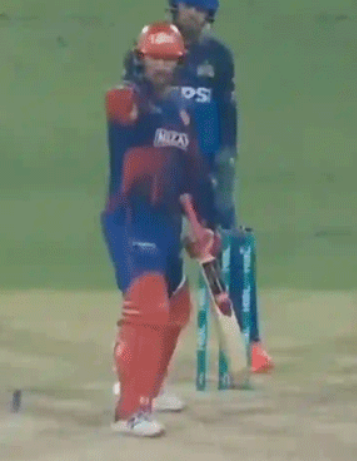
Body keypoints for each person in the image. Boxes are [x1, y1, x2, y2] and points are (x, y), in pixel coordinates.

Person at [122, 0, 274, 373]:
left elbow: (227, 113)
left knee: (227, 250)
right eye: (188, 5)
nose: (193, 14)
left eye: (201, 8)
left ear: (210, 15)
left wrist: (225, 161)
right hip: (159, 171)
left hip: (206, 170)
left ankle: (250, 341)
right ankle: (145, 346)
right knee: (155, 258)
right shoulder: (149, 49)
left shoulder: (217, 57)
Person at [102, 21, 220, 437]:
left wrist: (204, 227)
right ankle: (130, 411)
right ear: (140, 59)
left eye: (169, 60)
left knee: (177, 308)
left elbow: (193, 178)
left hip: (166, 222)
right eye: (154, 58)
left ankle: (151, 384)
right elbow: (119, 107)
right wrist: (131, 85)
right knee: (147, 306)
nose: (161, 66)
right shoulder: (129, 100)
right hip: (130, 217)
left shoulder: (181, 114)